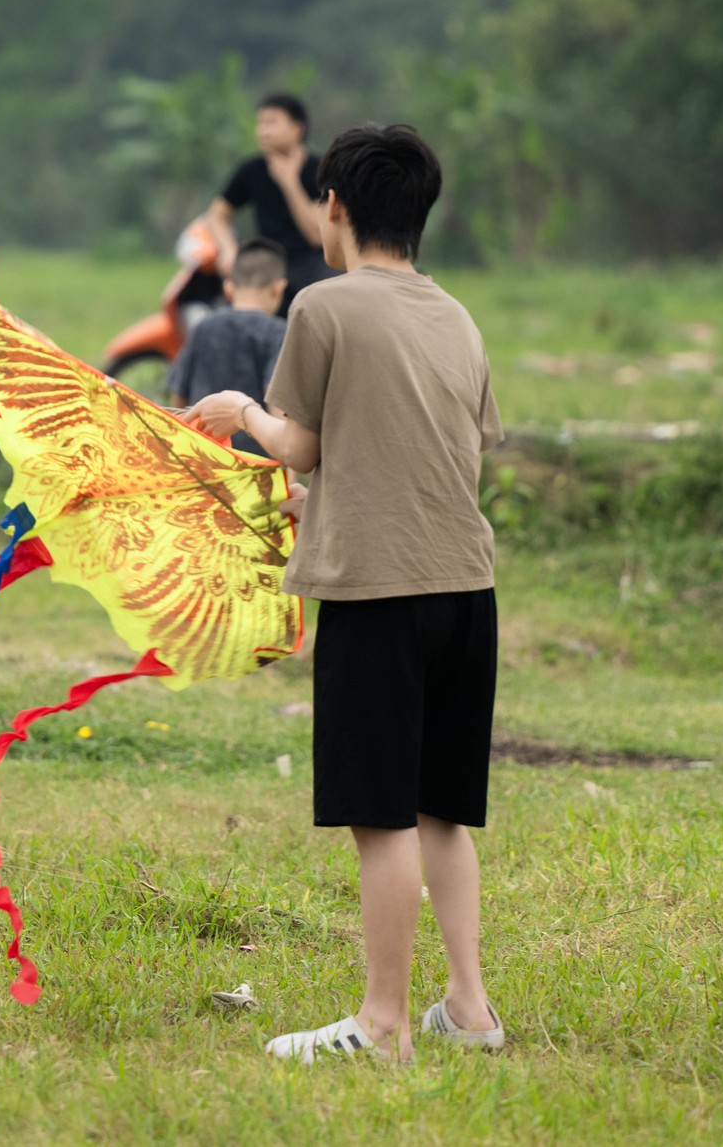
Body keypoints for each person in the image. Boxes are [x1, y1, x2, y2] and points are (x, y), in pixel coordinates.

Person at [185, 124, 506, 1064]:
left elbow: (297, 441)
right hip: (466, 591)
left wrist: (240, 411)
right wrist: (323, 497)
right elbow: (439, 454)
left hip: (379, 596)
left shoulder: (324, 306)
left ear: (333, 206)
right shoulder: (457, 316)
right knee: (442, 806)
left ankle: (382, 1024)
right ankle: (472, 1010)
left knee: (382, 814)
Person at [203, 92, 330, 318]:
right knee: (230, 313)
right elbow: (218, 214)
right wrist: (229, 249)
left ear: (297, 128)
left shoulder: (319, 169)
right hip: (269, 263)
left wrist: (289, 183)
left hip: (313, 266)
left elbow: (315, 234)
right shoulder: (252, 170)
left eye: (272, 122)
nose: (263, 130)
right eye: (260, 123)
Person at [168, 240, 289, 456]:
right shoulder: (278, 333)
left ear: (229, 288)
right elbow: (278, 409)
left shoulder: (203, 327)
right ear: (279, 288)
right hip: (252, 467)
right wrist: (288, 477)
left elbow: (179, 397)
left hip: (203, 459)